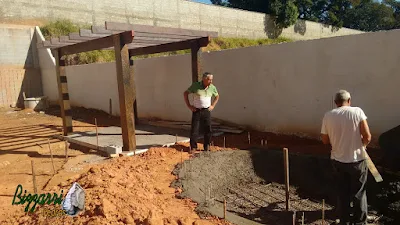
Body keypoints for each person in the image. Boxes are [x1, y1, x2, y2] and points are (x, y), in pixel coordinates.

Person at [321, 90, 372, 225]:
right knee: (359, 193)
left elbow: (325, 140)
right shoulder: (357, 112)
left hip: (337, 161)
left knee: (342, 192)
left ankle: (344, 220)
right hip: (357, 161)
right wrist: (363, 146)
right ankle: (360, 222)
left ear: (335, 103)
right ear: (349, 100)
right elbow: (367, 136)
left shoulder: (328, 115)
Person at [183, 72, 220, 153]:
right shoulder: (196, 86)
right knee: (195, 130)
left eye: (211, 80)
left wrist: (212, 106)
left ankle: (206, 146)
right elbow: (185, 93)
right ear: (204, 79)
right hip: (197, 110)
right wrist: (189, 106)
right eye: (209, 79)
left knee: (208, 129)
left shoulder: (212, 87)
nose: (211, 81)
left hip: (207, 111)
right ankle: (193, 147)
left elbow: (217, 96)